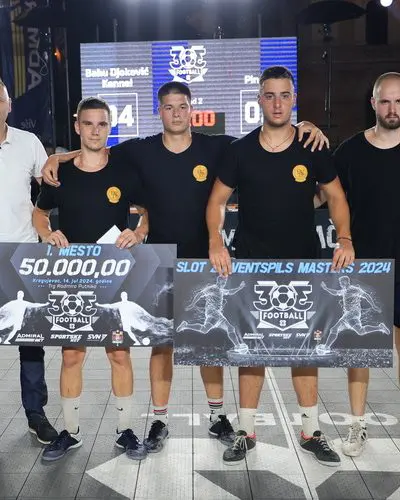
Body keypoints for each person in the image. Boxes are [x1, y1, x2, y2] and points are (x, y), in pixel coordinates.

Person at [42, 82, 328, 454]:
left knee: (209, 344)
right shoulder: (140, 150)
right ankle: (159, 419)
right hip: (160, 263)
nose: (176, 113)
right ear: (159, 111)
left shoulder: (217, 147)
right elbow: (96, 150)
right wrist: (59, 158)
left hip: (206, 261)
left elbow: (266, 138)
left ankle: (217, 416)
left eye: (182, 106)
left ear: (191, 109)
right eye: (168, 107)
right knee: (163, 345)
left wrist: (305, 125)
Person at [207, 66, 355, 466]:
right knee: (251, 350)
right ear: (259, 99)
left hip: (303, 264)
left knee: (304, 350)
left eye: (284, 95)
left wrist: (344, 238)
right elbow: (217, 201)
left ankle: (311, 432)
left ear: (294, 99)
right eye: (269, 95)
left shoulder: (312, 146)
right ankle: (246, 432)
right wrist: (216, 240)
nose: (277, 103)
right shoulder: (239, 150)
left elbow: (336, 197)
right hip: (252, 265)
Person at [32, 97, 148, 461]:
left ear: (109, 127)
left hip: (113, 275)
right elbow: (39, 213)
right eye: (88, 124)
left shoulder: (124, 171)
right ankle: (70, 432)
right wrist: (47, 232)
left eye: (102, 124)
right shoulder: (60, 173)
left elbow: (147, 213)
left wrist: (138, 232)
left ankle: (126, 430)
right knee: (71, 357)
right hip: (72, 277)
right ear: (77, 126)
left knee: (119, 354)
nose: (95, 131)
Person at [333, 71, 400, 457]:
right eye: (385, 101)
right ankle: (357, 426)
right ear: (373, 103)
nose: (392, 108)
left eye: (398, 101)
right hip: (366, 265)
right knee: (360, 351)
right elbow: (324, 196)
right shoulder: (350, 152)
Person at [0, 77, 57, 445]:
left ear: (9, 104)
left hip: (22, 255)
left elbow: (50, 182)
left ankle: (36, 413)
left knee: (31, 340)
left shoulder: (27, 142)